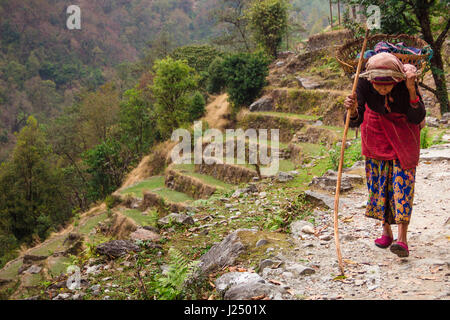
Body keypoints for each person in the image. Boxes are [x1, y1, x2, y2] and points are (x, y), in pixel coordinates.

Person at [344, 52, 426, 258]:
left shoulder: (406, 80)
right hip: (375, 133)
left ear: (396, 80)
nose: (382, 89)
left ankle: (402, 239)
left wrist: (410, 89)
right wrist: (352, 110)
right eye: (378, 85)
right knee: (380, 185)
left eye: (387, 85)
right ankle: (386, 231)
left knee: (402, 186)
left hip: (403, 133)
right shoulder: (363, 84)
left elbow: (417, 116)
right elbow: (356, 118)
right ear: (370, 80)